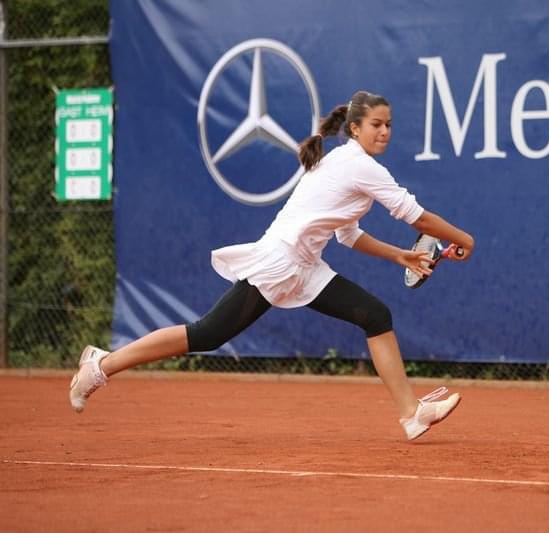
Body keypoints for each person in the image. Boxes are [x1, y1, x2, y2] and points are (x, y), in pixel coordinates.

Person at [69, 90, 474, 441]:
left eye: (388, 125)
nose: (384, 132)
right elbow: (416, 218)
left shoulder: (344, 164)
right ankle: (101, 365)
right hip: (280, 262)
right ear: (354, 128)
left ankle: (411, 413)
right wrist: (463, 238)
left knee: (375, 315)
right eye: (376, 125)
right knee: (206, 334)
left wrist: (399, 255)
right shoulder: (359, 166)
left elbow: (347, 235)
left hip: (306, 267)